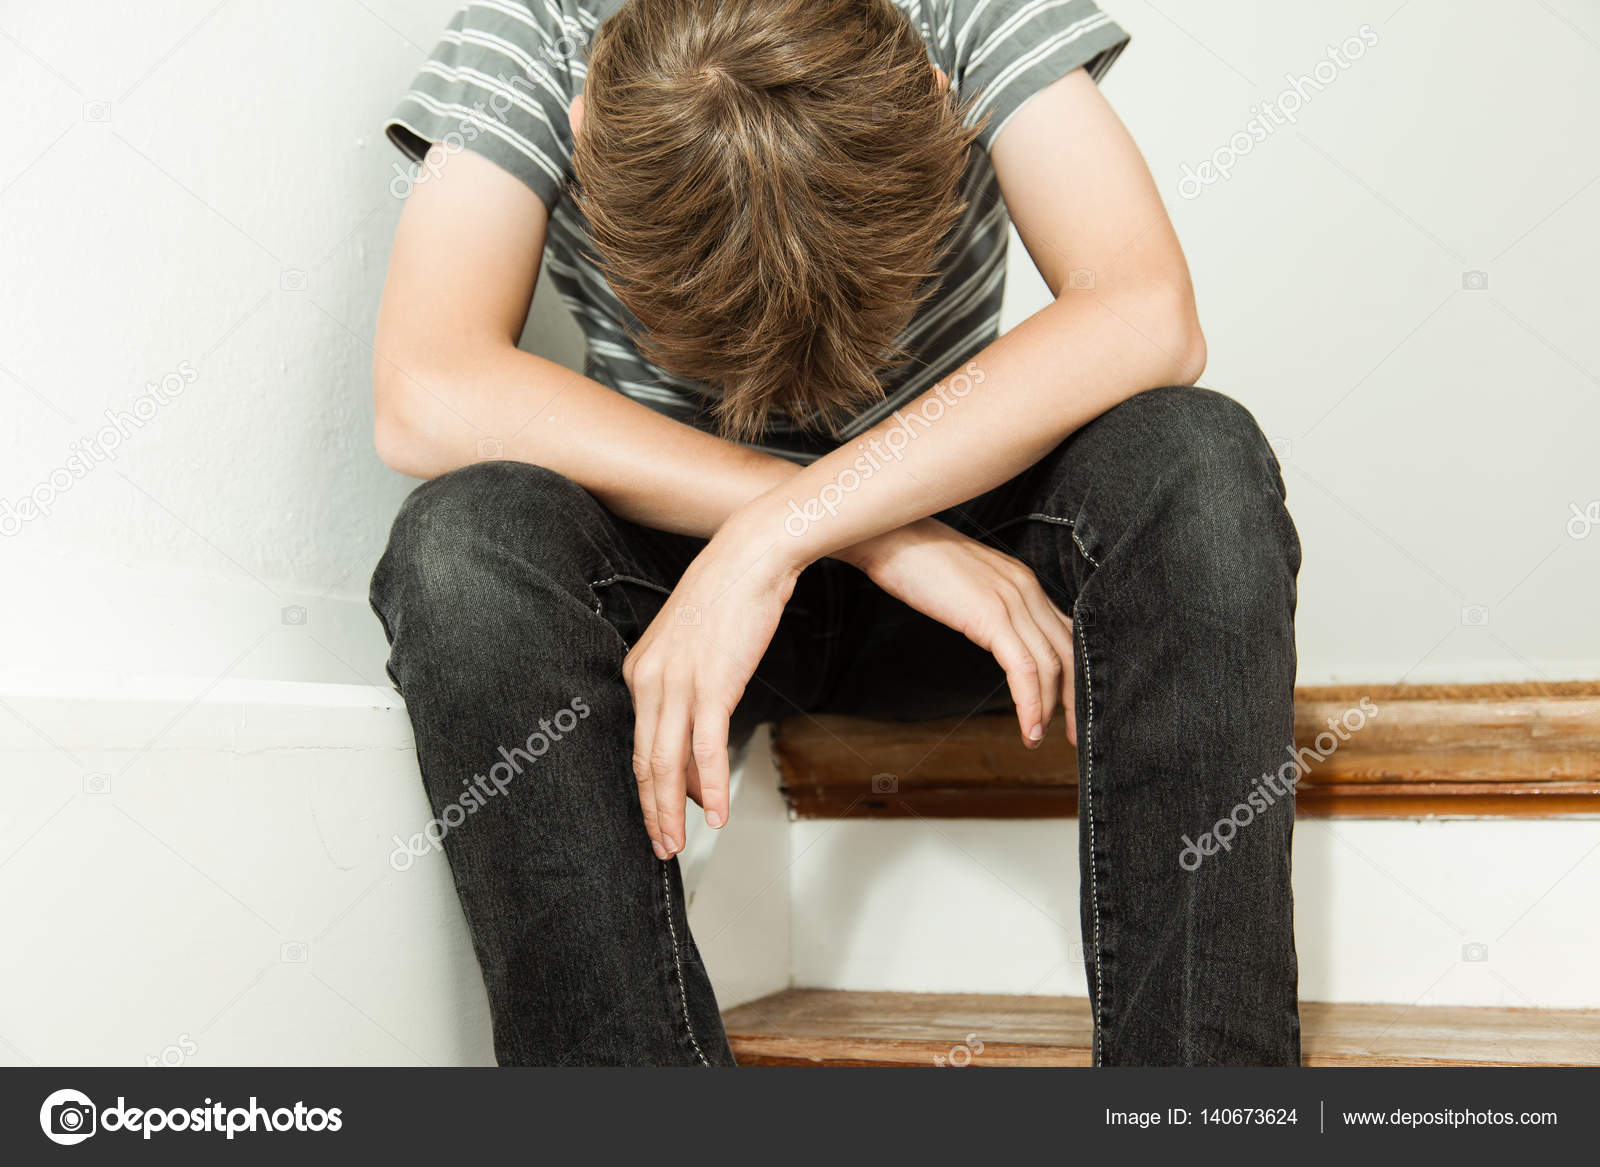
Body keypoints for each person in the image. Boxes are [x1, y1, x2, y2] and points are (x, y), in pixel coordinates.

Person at [369, 0, 1302, 1067]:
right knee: (461, 545)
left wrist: (792, 533)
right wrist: (855, 534)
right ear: (586, 133)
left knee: (1196, 458)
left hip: (977, 576)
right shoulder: (535, 33)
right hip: (693, 600)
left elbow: (1145, 313)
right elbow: (425, 387)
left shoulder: (963, 15)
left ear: (944, 118)